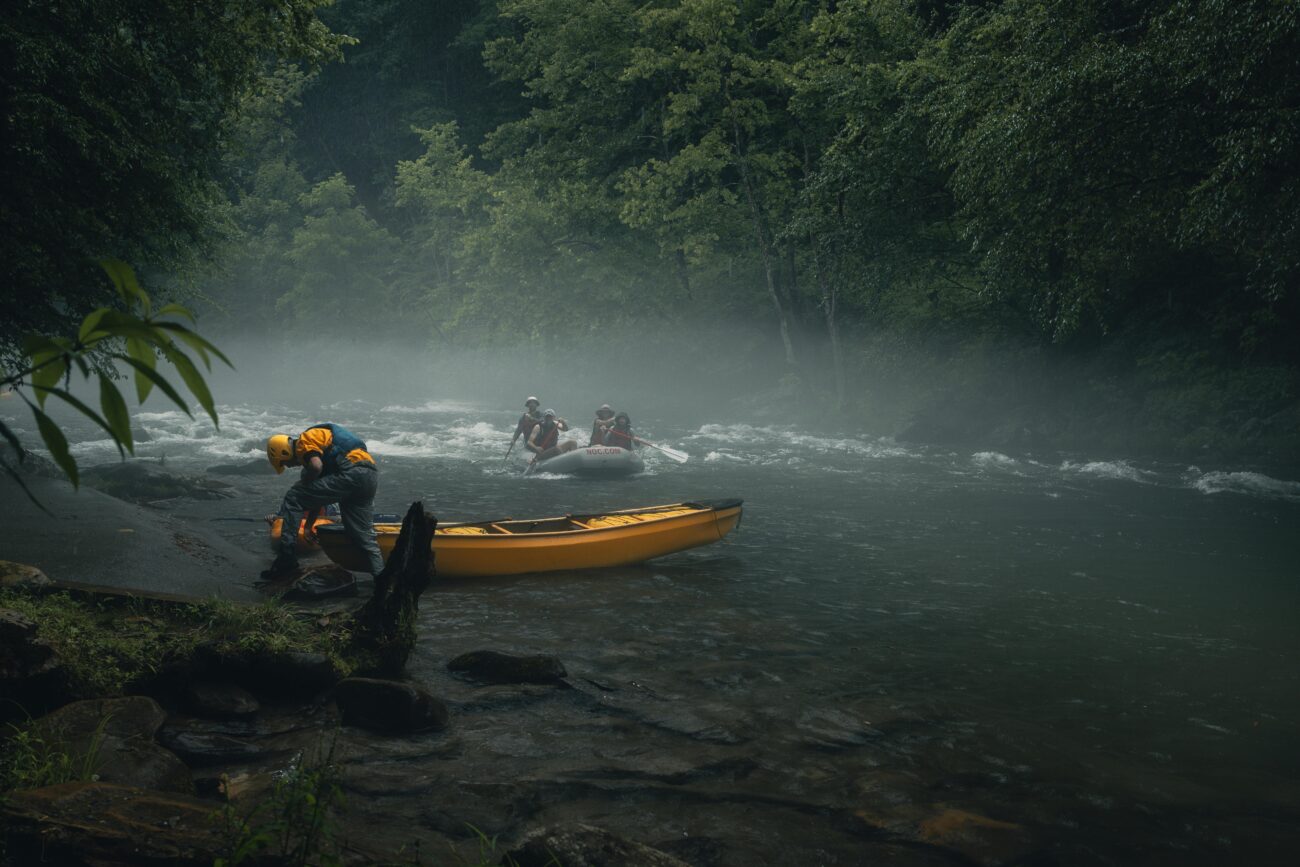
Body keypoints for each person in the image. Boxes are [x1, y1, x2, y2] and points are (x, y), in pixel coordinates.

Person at [262, 422, 383, 579]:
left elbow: (316, 467)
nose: (290, 466)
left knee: (293, 497)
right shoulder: (320, 449)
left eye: (285, 463)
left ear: (283, 452)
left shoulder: (304, 441)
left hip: (351, 473)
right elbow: (318, 498)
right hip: (369, 477)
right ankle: (382, 579)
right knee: (365, 538)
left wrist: (304, 484)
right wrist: (309, 527)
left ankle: (287, 557)